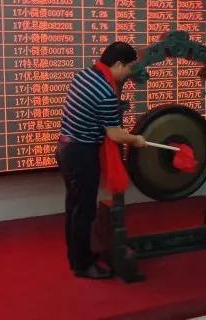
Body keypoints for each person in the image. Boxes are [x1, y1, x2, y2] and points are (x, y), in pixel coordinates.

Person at [56, 42, 147, 279]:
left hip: (66, 149)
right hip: (81, 154)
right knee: (84, 211)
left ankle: (77, 256)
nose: (128, 73)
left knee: (74, 207)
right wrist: (137, 140)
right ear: (117, 64)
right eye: (129, 68)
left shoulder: (84, 75)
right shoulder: (106, 92)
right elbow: (115, 135)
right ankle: (82, 265)